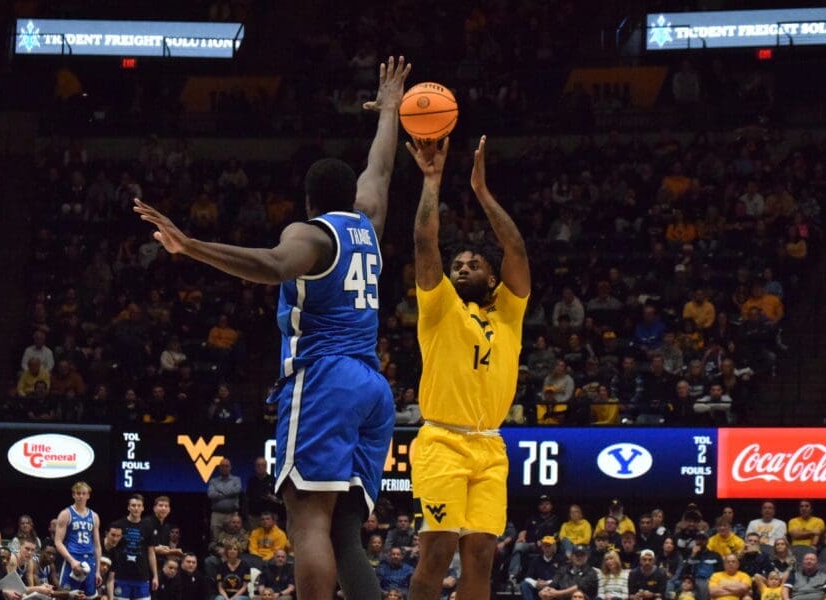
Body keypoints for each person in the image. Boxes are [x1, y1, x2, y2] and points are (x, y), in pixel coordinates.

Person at [134, 55, 410, 600]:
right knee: (344, 531)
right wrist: (389, 113)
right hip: (373, 386)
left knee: (306, 519)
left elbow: (273, 265)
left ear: (309, 201)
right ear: (349, 196)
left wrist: (190, 246)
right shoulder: (369, 224)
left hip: (325, 380)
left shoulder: (310, 235)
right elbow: (379, 170)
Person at [405, 132, 531, 600]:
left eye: (472, 263)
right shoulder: (440, 307)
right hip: (442, 441)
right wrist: (431, 180)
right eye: (457, 263)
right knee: (437, 552)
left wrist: (482, 193)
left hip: (490, 446)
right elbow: (424, 241)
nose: (460, 267)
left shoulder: (509, 312)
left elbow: (516, 250)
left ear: (491, 278)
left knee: (480, 559)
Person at [54, 481, 103, 599]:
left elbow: (97, 545)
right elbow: (58, 542)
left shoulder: (94, 516)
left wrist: (98, 571)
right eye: (78, 493)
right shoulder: (66, 514)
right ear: (73, 495)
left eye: (83, 493)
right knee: (67, 595)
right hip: (73, 557)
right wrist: (71, 561)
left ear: (88, 495)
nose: (81, 496)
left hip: (90, 559)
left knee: (90, 596)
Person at [107, 494, 157, 600]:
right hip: (121, 576)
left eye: (139, 505)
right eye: (133, 505)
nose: (136, 508)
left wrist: (155, 576)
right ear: (128, 507)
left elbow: (151, 552)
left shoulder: (148, 527)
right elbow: (108, 546)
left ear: (143, 508)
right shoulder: (118, 525)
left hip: (142, 577)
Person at [206, 460, 241, 539]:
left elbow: (236, 490)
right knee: (215, 538)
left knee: (233, 538)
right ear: (219, 468)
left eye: (227, 466)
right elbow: (211, 494)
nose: (224, 468)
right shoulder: (213, 481)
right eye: (222, 466)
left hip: (232, 514)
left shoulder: (236, 480)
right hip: (217, 514)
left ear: (230, 467)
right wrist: (229, 493)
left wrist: (220, 492)